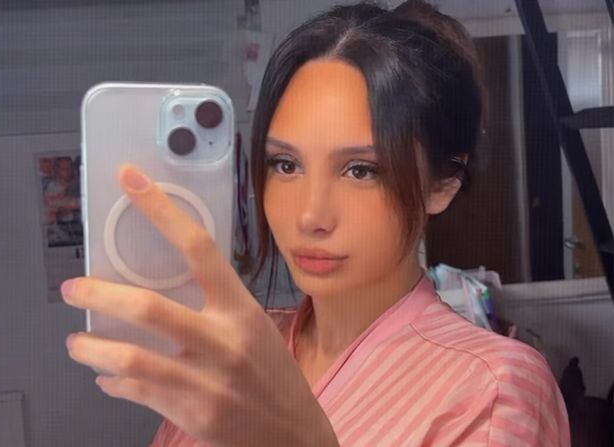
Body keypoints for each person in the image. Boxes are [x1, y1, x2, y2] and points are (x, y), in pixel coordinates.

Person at [61, 1, 570, 445]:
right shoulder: (236, 350)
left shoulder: (495, 388)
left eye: (361, 170)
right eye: (286, 164)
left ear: (444, 183)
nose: (309, 215)